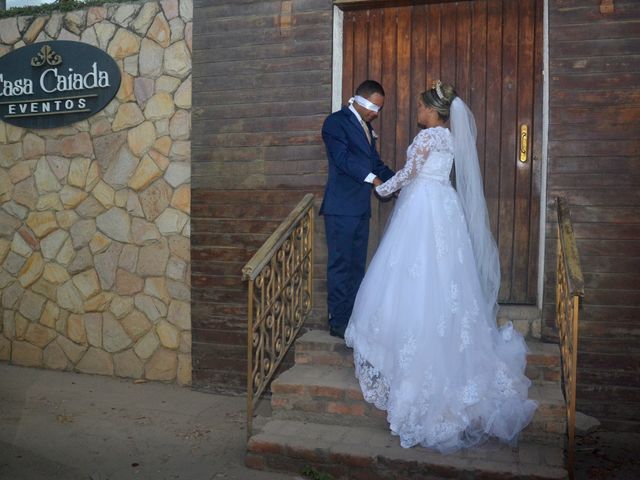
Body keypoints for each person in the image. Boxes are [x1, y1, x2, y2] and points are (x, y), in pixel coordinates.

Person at [344, 81, 538, 453]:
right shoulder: (449, 138)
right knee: (445, 276)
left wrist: (383, 188)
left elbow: (410, 173)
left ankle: (411, 352)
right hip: (444, 208)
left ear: (434, 111)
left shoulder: (428, 138)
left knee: (413, 274)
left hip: (422, 209)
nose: (417, 112)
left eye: (420, 107)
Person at [320, 80, 395, 339]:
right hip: (341, 208)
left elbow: (375, 163)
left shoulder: (366, 128)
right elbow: (343, 159)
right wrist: (372, 179)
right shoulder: (335, 123)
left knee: (356, 267)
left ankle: (353, 317)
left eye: (379, 109)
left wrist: (398, 181)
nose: (376, 113)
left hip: (360, 209)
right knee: (341, 265)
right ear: (361, 101)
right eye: (375, 107)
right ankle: (338, 321)